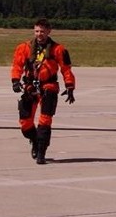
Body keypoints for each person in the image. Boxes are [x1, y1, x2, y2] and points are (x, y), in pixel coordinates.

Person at [11, 18, 76, 165]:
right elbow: (17, 65)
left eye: (42, 31)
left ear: (49, 31)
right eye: (37, 31)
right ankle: (34, 140)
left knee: (45, 121)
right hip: (30, 87)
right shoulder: (24, 47)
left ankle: (41, 152)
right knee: (25, 122)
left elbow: (66, 69)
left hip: (49, 87)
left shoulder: (58, 49)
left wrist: (70, 86)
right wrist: (15, 80)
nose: (39, 34)